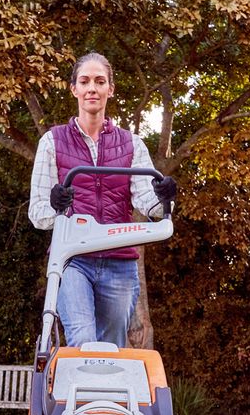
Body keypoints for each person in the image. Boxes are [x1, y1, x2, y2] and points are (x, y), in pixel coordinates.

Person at [28, 52, 176, 348]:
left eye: (99, 81)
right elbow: (38, 213)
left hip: (118, 261)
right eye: (84, 81)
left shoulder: (132, 144)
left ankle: (105, 396)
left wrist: (165, 198)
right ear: (74, 89)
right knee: (82, 339)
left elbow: (150, 204)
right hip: (73, 258)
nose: (92, 88)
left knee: (112, 348)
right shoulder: (52, 141)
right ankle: (76, 395)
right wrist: (57, 204)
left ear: (111, 89)